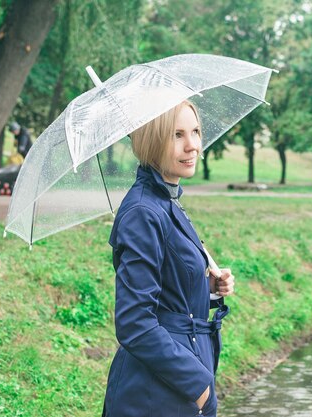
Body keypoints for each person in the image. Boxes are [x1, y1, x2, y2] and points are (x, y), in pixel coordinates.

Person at [102, 101, 235, 417]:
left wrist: (209, 286)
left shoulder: (168, 200)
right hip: (155, 393)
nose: (193, 145)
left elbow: (169, 284)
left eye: (195, 131)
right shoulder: (143, 213)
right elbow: (135, 322)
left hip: (178, 383)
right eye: (177, 135)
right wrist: (198, 386)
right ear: (152, 141)